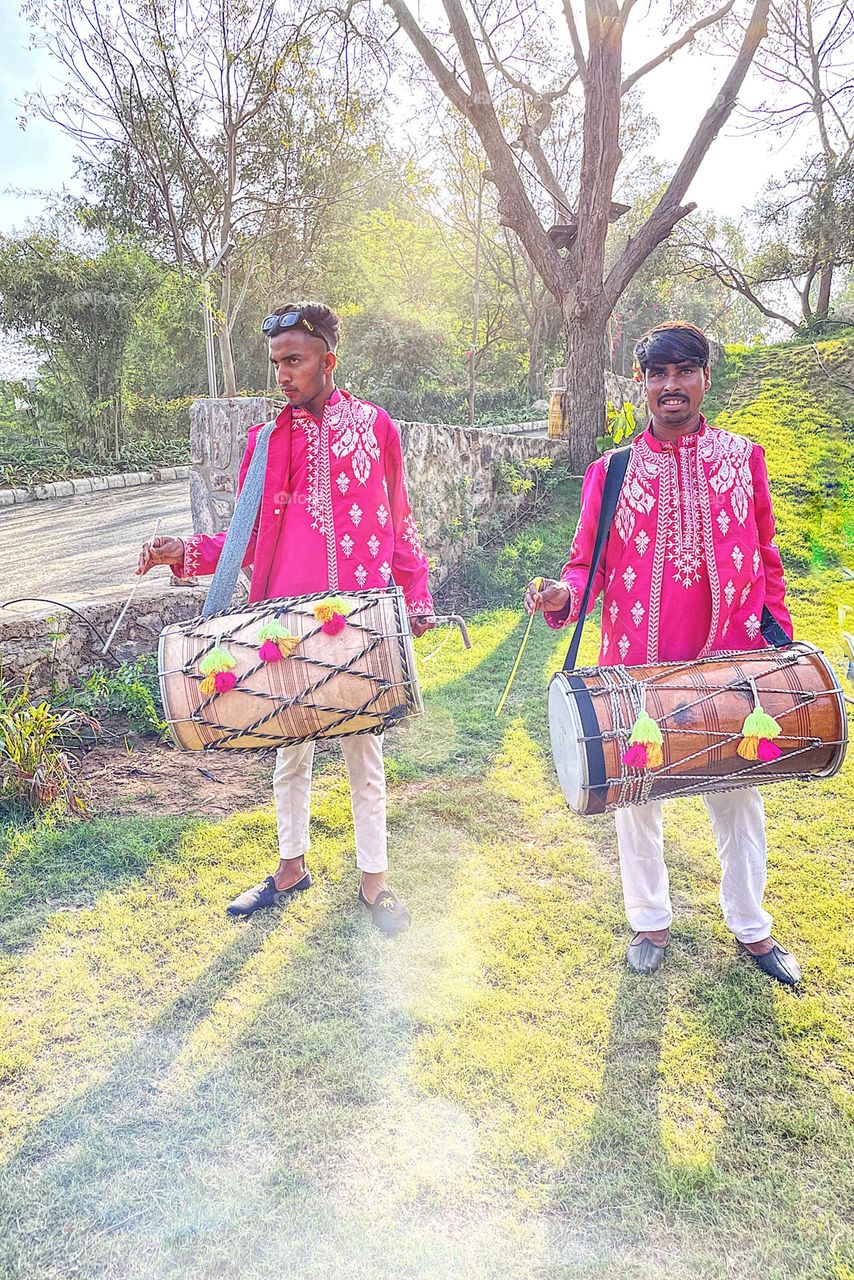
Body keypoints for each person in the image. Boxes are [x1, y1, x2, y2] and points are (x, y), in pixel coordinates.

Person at [137, 302, 434, 936]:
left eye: (293, 361)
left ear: (329, 360)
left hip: (356, 627)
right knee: (289, 757)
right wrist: (187, 552)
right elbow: (241, 536)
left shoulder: (377, 428)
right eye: (276, 363)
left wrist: (417, 597)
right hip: (283, 629)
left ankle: (374, 884)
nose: (282, 375)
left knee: (366, 758)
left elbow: (397, 523)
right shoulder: (266, 442)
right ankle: (291, 869)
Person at [525, 321, 801, 984]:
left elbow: (766, 558)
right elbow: (584, 565)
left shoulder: (743, 458)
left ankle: (752, 928)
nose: (670, 386)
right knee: (637, 795)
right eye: (657, 374)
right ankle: (649, 920)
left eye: (683, 372)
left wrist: (779, 643)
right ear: (644, 383)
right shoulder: (611, 471)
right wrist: (561, 594)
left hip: (728, 661)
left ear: (705, 377)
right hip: (636, 666)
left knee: (739, 794)